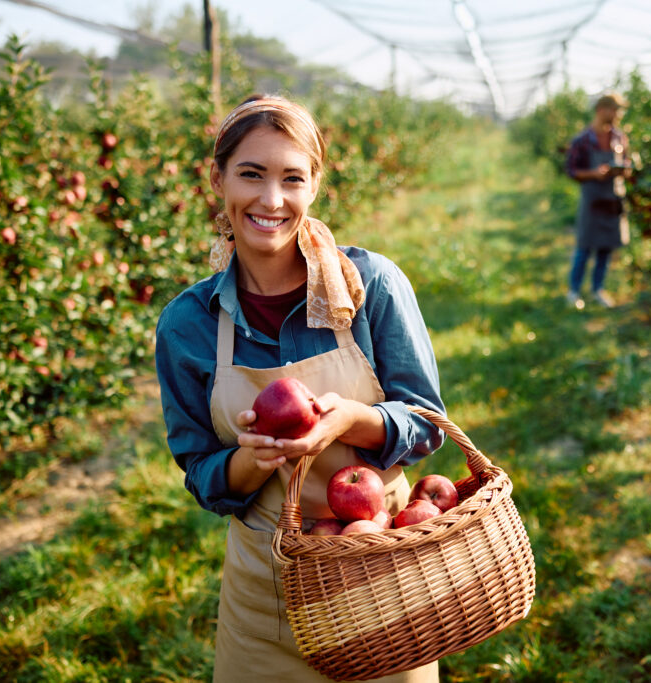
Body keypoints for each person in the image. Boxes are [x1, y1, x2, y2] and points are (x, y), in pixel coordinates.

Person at [154, 95, 445, 683]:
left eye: (292, 178)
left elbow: (426, 423)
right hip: (267, 596)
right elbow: (201, 473)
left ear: (315, 185)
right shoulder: (187, 324)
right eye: (251, 174)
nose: (271, 200)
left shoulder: (372, 287)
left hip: (381, 570)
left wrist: (352, 422)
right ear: (218, 180)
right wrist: (250, 460)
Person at [564, 92, 632, 310]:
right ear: (602, 110)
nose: (618, 115)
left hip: (613, 198)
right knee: (584, 246)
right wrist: (594, 174)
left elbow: (629, 162)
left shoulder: (620, 138)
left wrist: (625, 171)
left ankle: (597, 289)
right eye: (615, 110)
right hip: (593, 199)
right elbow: (572, 170)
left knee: (606, 247)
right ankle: (574, 291)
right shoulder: (583, 140)